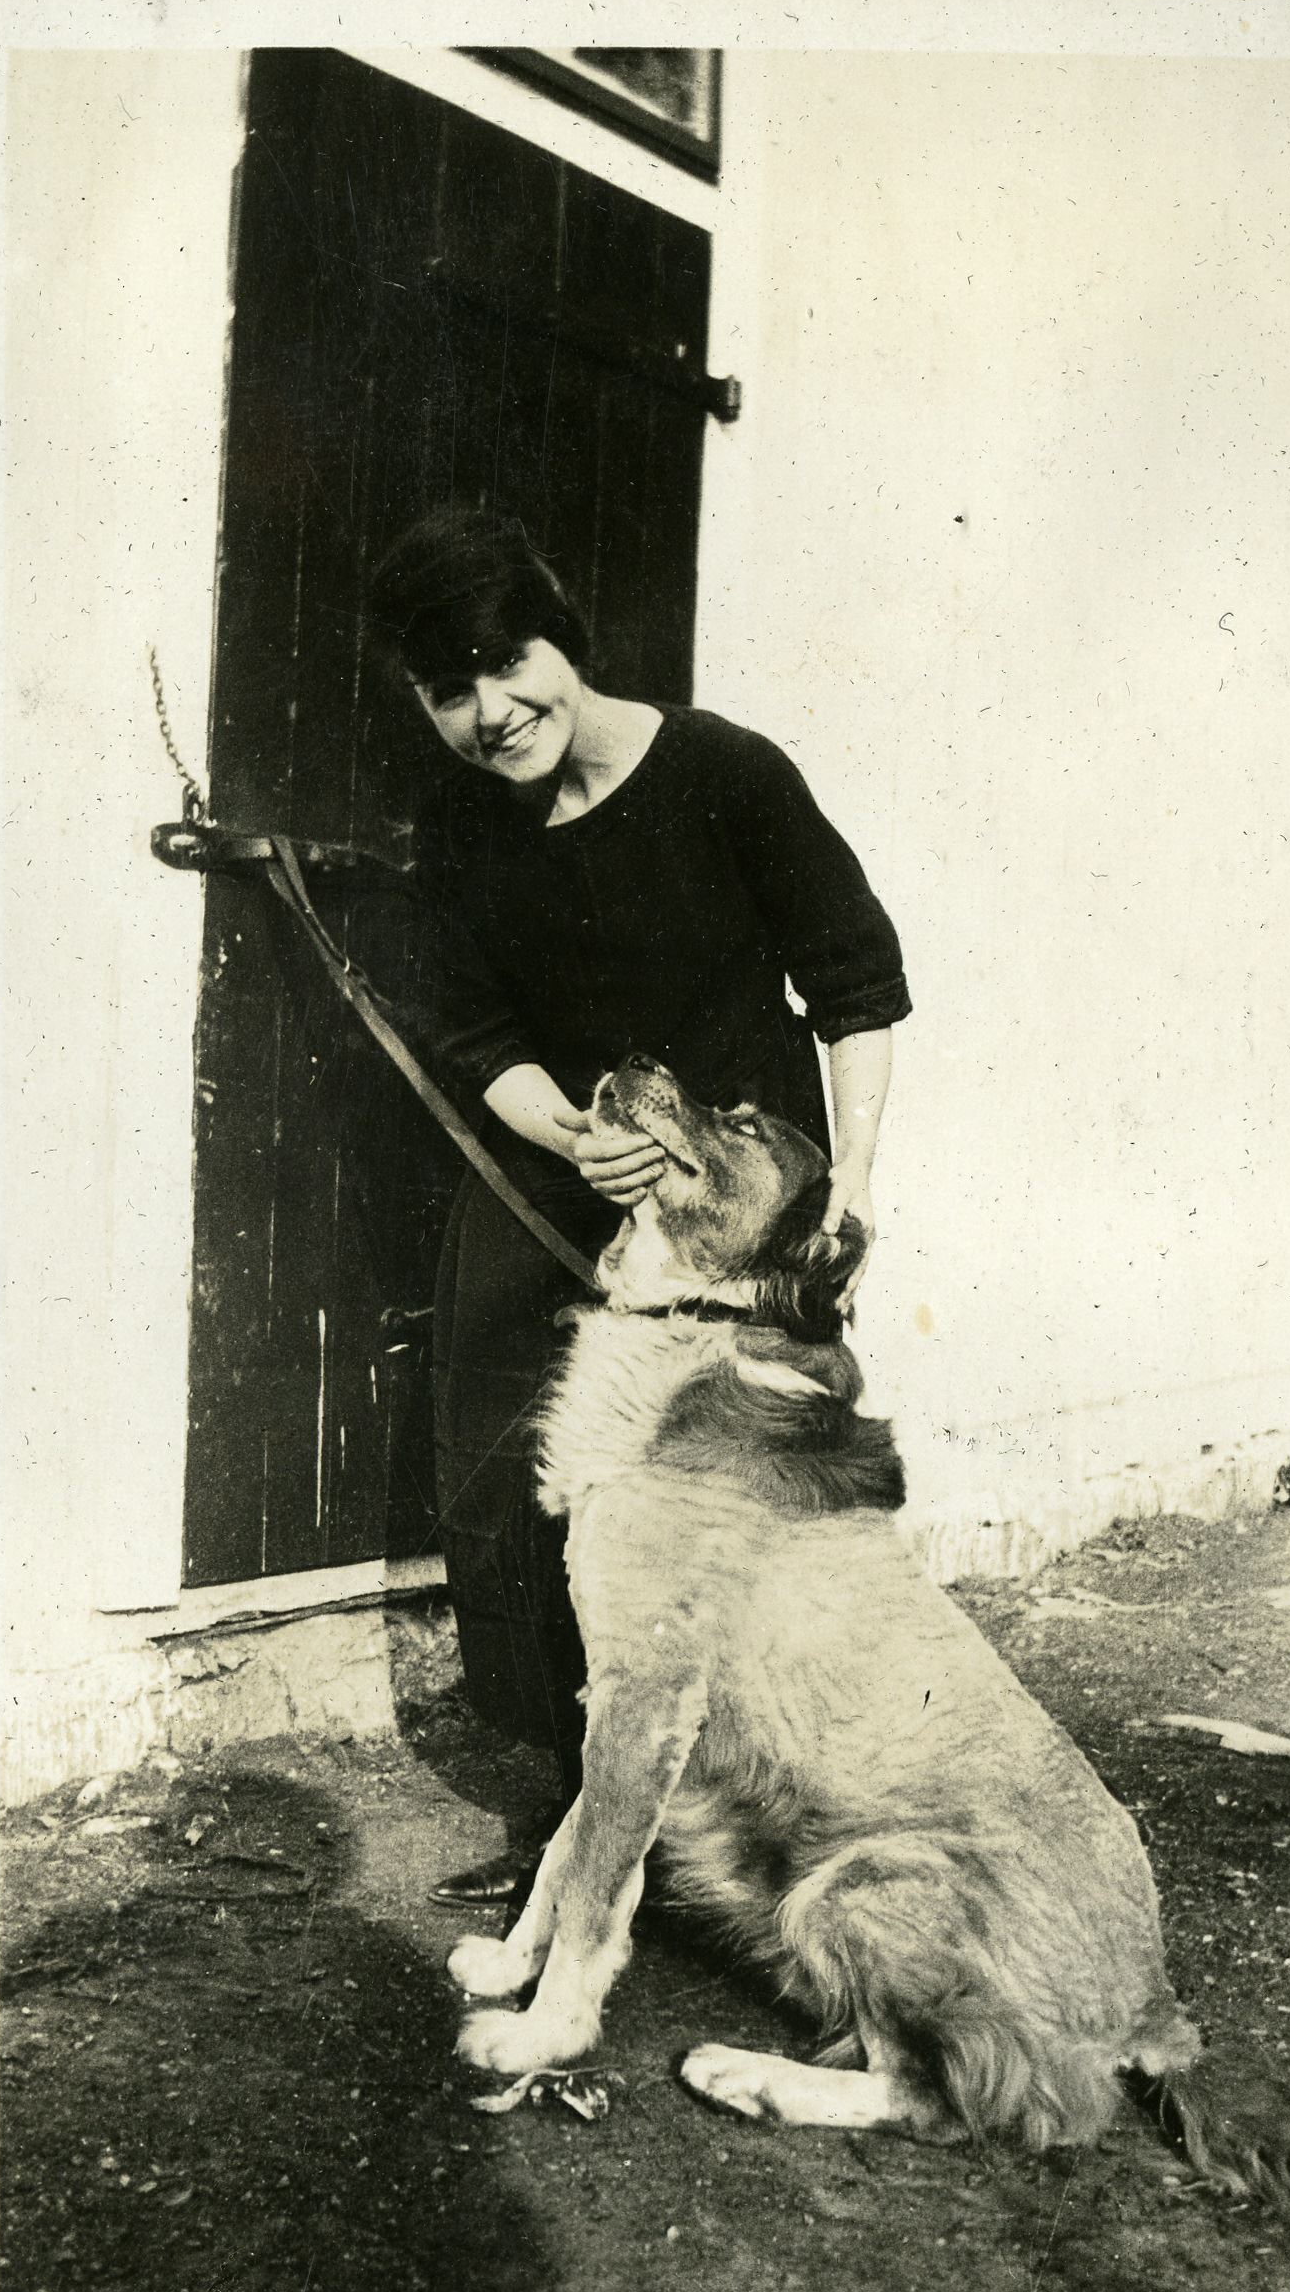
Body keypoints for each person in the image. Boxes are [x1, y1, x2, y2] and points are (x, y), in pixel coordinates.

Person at [365, 509, 912, 1903]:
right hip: (561, 1178)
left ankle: (764, 1809)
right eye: (450, 691)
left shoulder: (724, 771)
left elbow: (853, 982)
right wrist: (567, 1130)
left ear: (563, 632)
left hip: (728, 1199)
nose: (492, 712)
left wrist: (849, 1181)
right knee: (501, 1469)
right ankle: (575, 1812)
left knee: (742, 1496)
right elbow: (473, 1033)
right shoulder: (460, 829)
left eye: (507, 660)